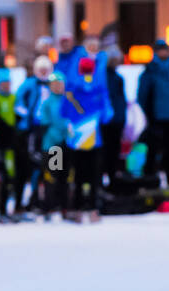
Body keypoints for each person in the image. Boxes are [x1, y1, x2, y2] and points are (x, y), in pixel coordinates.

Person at [62, 54, 112, 222]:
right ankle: (89, 208)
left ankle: (80, 208)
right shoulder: (97, 89)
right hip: (89, 138)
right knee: (90, 176)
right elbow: (107, 114)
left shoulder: (73, 89)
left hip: (78, 139)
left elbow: (63, 112)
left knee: (79, 175)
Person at [136, 38, 169, 188]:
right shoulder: (150, 70)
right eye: (160, 50)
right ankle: (150, 179)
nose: (163, 52)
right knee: (153, 148)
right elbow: (142, 95)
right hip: (155, 116)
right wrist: (149, 113)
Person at [14, 55, 53, 215]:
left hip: (53, 132)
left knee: (54, 166)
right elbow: (18, 104)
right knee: (36, 164)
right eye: (41, 69)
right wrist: (28, 117)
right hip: (35, 130)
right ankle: (34, 199)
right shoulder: (29, 85)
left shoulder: (55, 85)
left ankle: (53, 200)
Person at [39, 72, 72, 219]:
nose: (58, 87)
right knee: (52, 177)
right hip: (53, 146)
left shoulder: (69, 101)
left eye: (60, 84)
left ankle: (65, 206)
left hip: (67, 145)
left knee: (66, 176)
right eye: (55, 84)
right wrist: (58, 136)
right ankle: (49, 207)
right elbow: (45, 123)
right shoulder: (47, 104)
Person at [0, 69, 20, 222]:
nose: (7, 86)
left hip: (11, 144)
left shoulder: (14, 98)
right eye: (4, 83)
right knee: (3, 178)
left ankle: (9, 209)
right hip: (0, 144)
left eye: (8, 83)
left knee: (11, 177)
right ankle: (1, 210)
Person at [102, 49, 127, 185]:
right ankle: (107, 179)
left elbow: (121, 100)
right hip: (108, 121)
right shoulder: (104, 78)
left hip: (116, 120)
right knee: (107, 152)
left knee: (113, 151)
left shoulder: (117, 78)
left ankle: (112, 179)